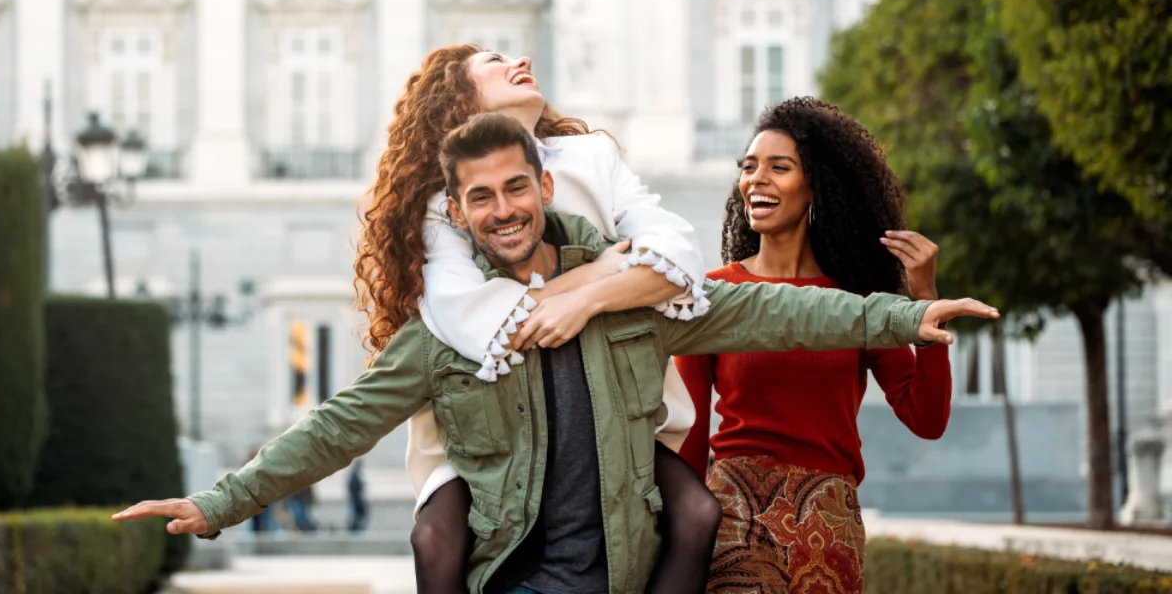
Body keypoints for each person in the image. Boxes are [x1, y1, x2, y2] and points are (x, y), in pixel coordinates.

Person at [112, 114, 997, 594]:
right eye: (480, 197)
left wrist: (899, 319)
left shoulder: (630, 297)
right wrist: (217, 503)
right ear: (458, 213)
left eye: (515, 187)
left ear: (543, 187)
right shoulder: (448, 337)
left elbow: (772, 311)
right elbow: (341, 425)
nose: (502, 209)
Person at [355, 44, 720, 593]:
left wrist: (588, 300)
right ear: (458, 97)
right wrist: (593, 276)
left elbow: (677, 258)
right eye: (494, 62)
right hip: (489, 403)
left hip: (608, 390)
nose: (518, 59)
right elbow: (472, 318)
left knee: (696, 511)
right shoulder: (446, 196)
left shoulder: (592, 157)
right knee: (435, 534)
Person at [675, 98, 954, 593]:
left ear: (815, 188)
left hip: (828, 531)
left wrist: (924, 300)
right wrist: (680, 539)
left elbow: (926, 418)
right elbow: (692, 436)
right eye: (749, 167)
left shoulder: (857, 304)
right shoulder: (712, 295)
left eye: (779, 168)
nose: (756, 179)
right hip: (736, 523)